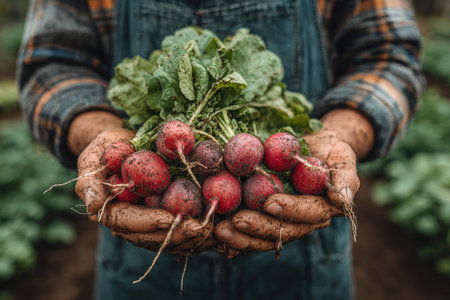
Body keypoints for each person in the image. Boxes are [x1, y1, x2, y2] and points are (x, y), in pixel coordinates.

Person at [17, 0, 424, 299]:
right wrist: (101, 132)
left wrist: (340, 134)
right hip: (143, 248)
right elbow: (52, 64)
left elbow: (387, 54)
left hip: (303, 262)